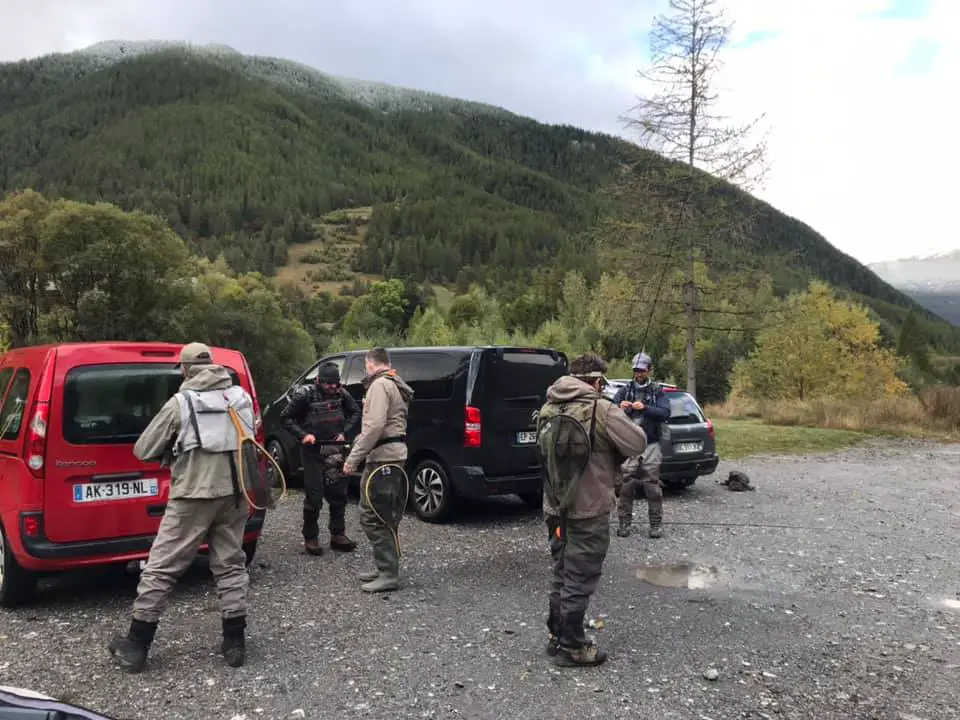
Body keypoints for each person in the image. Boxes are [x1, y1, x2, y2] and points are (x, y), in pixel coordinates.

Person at [108, 342, 255, 673]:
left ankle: (137, 643)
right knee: (231, 564)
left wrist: (172, 452)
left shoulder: (181, 402)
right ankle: (235, 642)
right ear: (213, 366)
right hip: (236, 494)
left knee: (161, 567)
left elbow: (143, 449)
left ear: (185, 370)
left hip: (193, 497)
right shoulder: (241, 398)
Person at [537, 352, 647, 667]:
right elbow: (637, 444)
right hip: (589, 509)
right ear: (597, 381)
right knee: (580, 578)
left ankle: (556, 636)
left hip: (555, 509)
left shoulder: (548, 407)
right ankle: (572, 648)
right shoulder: (602, 409)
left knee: (561, 572)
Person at [343, 347, 414, 593]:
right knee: (385, 511)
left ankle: (388, 573)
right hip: (391, 456)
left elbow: (373, 426)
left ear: (370, 364)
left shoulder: (379, 386)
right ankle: (384, 566)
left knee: (373, 514)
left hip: (383, 458)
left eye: (366, 366)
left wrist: (352, 459)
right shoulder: (394, 383)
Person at [280, 362, 361, 555]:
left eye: (335, 383)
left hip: (335, 449)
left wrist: (344, 432)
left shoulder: (342, 394)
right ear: (318, 381)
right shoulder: (304, 395)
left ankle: (338, 534)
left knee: (339, 494)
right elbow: (286, 418)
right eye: (328, 384)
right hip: (312, 451)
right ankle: (311, 537)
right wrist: (303, 435)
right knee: (314, 496)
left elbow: (355, 412)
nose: (333, 387)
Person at [612, 351, 672, 539]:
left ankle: (655, 525)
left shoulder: (657, 391)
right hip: (629, 445)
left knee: (652, 486)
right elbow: (610, 411)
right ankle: (624, 524)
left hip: (651, 444)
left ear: (649, 370)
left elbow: (665, 413)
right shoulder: (625, 390)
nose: (639, 373)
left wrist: (645, 408)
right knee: (625, 485)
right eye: (636, 370)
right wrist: (619, 407)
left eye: (642, 370)